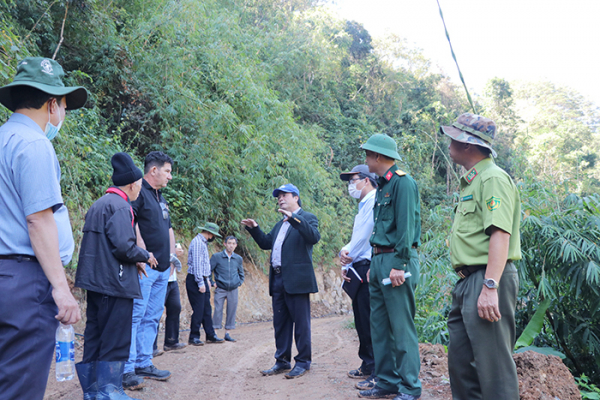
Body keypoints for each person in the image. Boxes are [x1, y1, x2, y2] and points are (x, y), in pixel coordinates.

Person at [0, 57, 85, 400]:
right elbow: (38, 219)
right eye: (64, 105)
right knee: (19, 387)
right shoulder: (34, 145)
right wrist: (61, 288)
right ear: (52, 104)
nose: (62, 115)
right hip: (24, 282)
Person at [440, 113, 521, 399]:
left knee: (494, 368)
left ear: (467, 145)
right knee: (462, 366)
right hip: (467, 281)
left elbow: (500, 234)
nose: (448, 141)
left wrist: (490, 286)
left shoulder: (493, 179)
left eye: (454, 137)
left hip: (487, 278)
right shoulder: (473, 181)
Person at [75, 152, 158, 400]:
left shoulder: (99, 204)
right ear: (133, 184)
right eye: (140, 186)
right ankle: (110, 391)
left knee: (94, 336)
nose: (139, 191)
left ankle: (91, 392)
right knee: (115, 339)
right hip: (115, 283)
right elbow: (123, 246)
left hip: (96, 283)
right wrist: (144, 255)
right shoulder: (121, 206)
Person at [359, 134, 422, 400]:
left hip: (398, 260)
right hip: (380, 260)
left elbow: (406, 227)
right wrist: (376, 263)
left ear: (378, 156)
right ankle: (387, 381)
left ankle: (410, 387)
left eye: (367, 155)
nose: (365, 160)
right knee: (380, 326)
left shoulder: (402, 183)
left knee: (401, 326)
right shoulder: (383, 186)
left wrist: (399, 264)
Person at [241, 183, 320, 379]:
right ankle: (282, 361)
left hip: (297, 280)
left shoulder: (307, 217)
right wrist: (255, 229)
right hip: (277, 278)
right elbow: (266, 243)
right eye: (278, 197)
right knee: (281, 323)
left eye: (284, 195)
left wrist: (294, 219)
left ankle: (303, 362)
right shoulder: (280, 224)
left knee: (301, 323)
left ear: (296, 197)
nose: (280, 199)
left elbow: (313, 237)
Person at [123, 151, 175, 389]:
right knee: (135, 316)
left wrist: (172, 257)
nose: (170, 177)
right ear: (153, 170)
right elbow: (130, 220)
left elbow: (168, 228)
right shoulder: (139, 191)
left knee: (152, 317)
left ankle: (144, 362)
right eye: (167, 171)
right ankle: (127, 368)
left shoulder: (159, 196)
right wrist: (141, 252)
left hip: (163, 269)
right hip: (145, 269)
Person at [338, 165, 379, 391]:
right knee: (361, 317)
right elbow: (356, 238)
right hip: (359, 264)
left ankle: (374, 368)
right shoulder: (363, 205)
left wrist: (349, 255)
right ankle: (367, 363)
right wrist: (346, 252)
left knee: (368, 317)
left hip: (368, 266)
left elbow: (364, 237)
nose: (351, 185)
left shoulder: (373, 201)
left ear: (366, 180)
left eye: (353, 180)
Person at [186, 222, 225, 345]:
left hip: (203, 278)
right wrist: (200, 282)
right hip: (195, 279)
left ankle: (210, 334)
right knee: (198, 309)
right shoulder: (197, 242)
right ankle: (194, 336)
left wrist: (207, 279)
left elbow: (204, 263)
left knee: (206, 308)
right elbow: (197, 264)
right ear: (210, 233)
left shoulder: (203, 243)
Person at [152, 243, 187, 356]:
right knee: (155, 312)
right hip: (159, 281)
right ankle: (151, 346)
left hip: (173, 281)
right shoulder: (156, 237)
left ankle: (171, 341)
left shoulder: (172, 241)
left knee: (175, 308)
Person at [211, 235, 245, 342]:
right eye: (229, 243)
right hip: (220, 288)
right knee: (218, 309)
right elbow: (208, 271)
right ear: (224, 244)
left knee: (231, 310)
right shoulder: (217, 257)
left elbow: (241, 273)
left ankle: (227, 333)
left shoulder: (238, 258)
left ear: (236, 245)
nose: (231, 245)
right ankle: (214, 333)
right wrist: (212, 282)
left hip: (233, 289)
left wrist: (239, 282)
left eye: (233, 243)